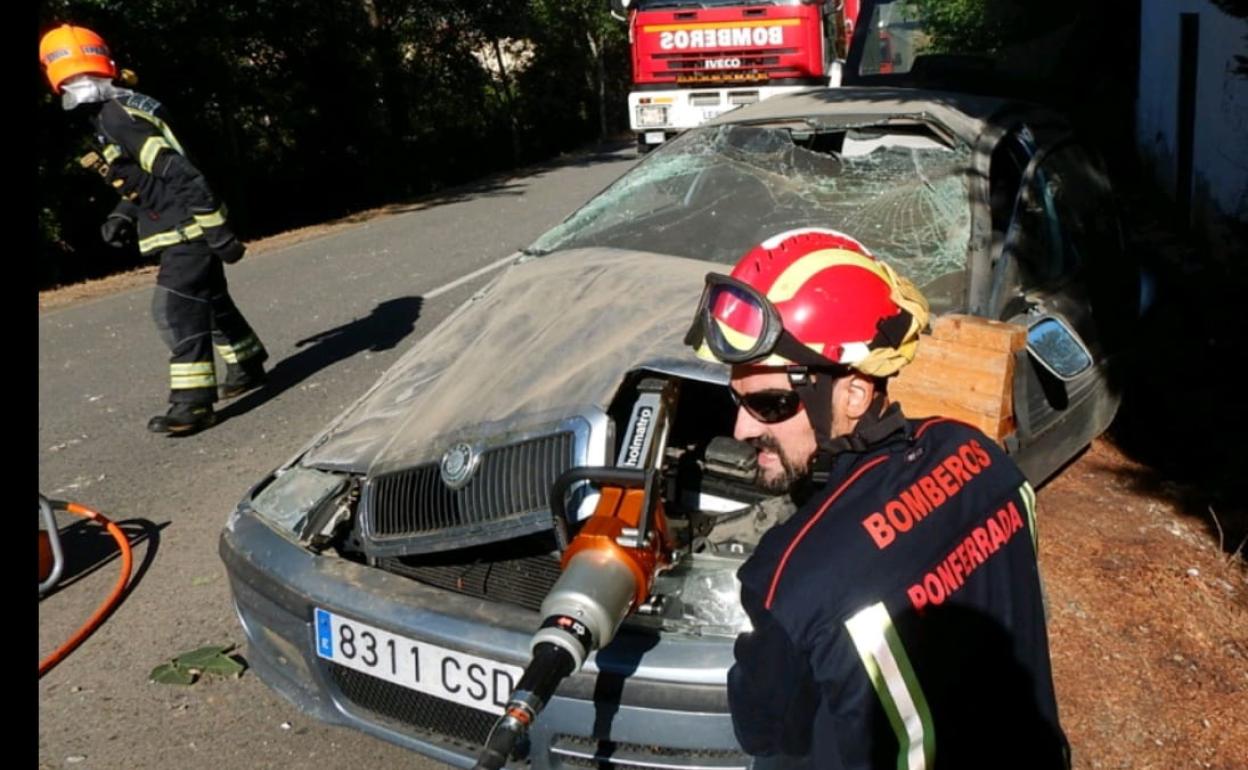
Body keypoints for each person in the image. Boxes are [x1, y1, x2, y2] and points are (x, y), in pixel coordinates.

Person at [684, 228, 1070, 769]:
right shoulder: (979, 454)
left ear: (855, 392)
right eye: (737, 398)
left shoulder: (788, 577)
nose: (741, 428)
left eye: (770, 405)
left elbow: (760, 728)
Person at [39, 24, 268, 435]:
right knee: (210, 301)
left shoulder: (114, 116)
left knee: (175, 310)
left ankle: (193, 404)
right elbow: (149, 177)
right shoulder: (128, 106)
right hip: (182, 222)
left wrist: (217, 232)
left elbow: (179, 171)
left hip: (186, 228)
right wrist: (123, 213)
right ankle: (248, 362)